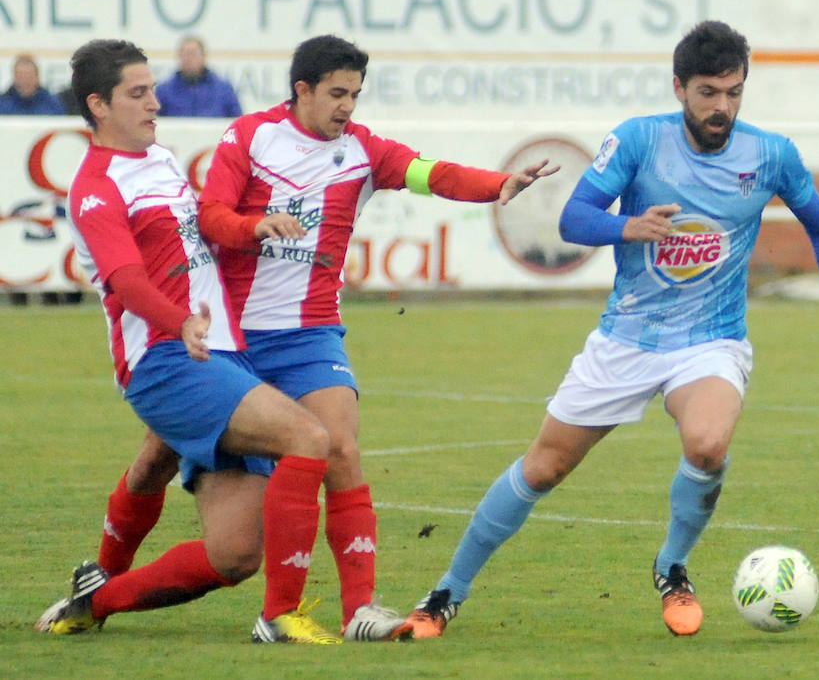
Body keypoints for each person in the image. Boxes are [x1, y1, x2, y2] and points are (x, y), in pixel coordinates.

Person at [404, 20, 819, 639]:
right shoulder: (639, 141)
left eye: (734, 92)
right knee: (543, 468)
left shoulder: (770, 154)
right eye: (709, 92)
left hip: (710, 340)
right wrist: (625, 228)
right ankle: (446, 593)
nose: (722, 107)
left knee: (708, 445)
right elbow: (575, 219)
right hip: (627, 340)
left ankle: (672, 567)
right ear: (679, 87)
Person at [71, 33, 557, 642]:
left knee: (338, 448)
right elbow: (214, 218)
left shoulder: (360, 151)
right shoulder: (247, 137)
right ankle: (102, 583)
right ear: (302, 90)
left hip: (308, 336)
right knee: (159, 469)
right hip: (230, 340)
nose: (348, 106)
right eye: (336, 93)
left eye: (355, 94)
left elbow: (426, 171)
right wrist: (255, 227)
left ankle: (359, 609)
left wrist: (496, 184)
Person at [34, 38, 357, 645]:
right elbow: (126, 278)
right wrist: (176, 320)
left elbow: (202, 238)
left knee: (233, 555)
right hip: (165, 359)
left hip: (220, 354)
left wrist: (257, 230)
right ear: (99, 106)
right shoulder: (96, 185)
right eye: (138, 93)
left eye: (153, 88)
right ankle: (280, 617)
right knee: (309, 438)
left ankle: (96, 596)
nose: (155, 102)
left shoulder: (160, 160)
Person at [155, 36, 242, 117]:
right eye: (185, 54)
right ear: (179, 57)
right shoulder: (163, 92)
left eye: (193, 54)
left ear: (204, 56)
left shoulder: (224, 90)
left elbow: (238, 123)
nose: (189, 59)